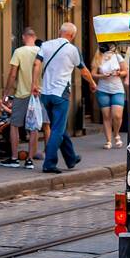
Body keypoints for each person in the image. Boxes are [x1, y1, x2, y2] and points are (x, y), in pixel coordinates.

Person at [31, 22, 98, 174]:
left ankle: (71, 158)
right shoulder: (72, 50)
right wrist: (93, 83)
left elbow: (36, 64)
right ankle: (49, 163)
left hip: (46, 93)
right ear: (72, 35)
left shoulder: (46, 45)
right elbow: (84, 71)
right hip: (60, 93)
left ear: (59, 31)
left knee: (59, 127)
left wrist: (34, 84)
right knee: (57, 130)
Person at [2, 27, 41, 168]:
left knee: (14, 125)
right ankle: (30, 159)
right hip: (37, 94)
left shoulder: (19, 52)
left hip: (21, 93)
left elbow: (13, 74)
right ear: (34, 37)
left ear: (24, 37)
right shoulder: (41, 51)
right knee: (34, 127)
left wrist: (6, 92)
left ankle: (14, 158)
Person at [92, 44, 128, 149]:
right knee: (106, 116)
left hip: (117, 89)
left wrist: (118, 73)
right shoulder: (98, 58)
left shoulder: (117, 56)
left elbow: (125, 71)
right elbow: (93, 74)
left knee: (117, 115)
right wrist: (103, 76)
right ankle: (108, 141)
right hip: (103, 89)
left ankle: (116, 134)